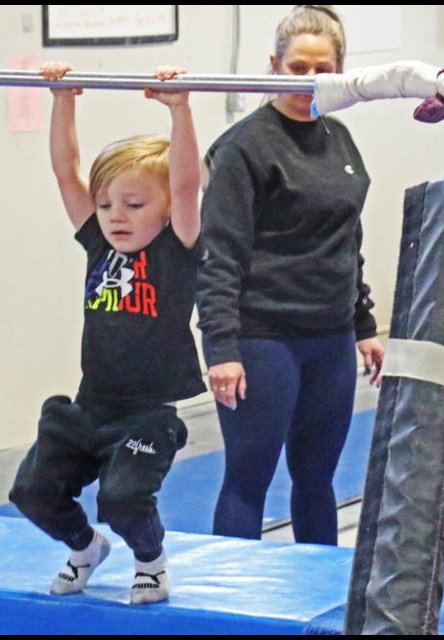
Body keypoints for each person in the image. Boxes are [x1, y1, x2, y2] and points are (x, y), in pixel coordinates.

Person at [8, 62, 204, 604]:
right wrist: (62, 100)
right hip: (89, 405)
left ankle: (152, 561)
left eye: (134, 205)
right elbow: (66, 172)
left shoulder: (176, 250)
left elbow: (187, 183)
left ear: (166, 212)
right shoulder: (99, 243)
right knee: (30, 491)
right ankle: (84, 547)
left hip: (146, 412)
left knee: (122, 499)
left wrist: (180, 108)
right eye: (106, 205)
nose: (115, 216)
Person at [197, 5, 383, 545]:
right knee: (248, 478)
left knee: (317, 478)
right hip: (262, 338)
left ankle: (321, 603)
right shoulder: (243, 148)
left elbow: (349, 238)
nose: (308, 80)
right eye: (297, 67)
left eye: (321, 68)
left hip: (330, 337)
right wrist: (222, 349)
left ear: (339, 70)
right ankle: (231, 607)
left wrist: (364, 324)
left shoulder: (341, 139)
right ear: (273, 66)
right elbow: (219, 255)